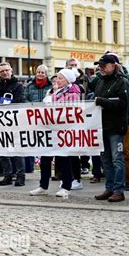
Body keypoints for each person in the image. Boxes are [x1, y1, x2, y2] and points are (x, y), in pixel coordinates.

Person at [29, 68, 81, 198]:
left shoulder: (73, 93)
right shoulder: (54, 92)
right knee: (45, 158)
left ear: (67, 80)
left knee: (64, 159)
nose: (57, 80)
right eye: (56, 77)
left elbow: (69, 110)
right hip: (51, 129)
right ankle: (43, 185)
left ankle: (66, 186)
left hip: (64, 130)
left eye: (60, 78)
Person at [93, 54, 129, 202]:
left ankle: (118, 190)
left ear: (113, 65)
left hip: (115, 127)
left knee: (117, 159)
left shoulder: (122, 82)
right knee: (106, 160)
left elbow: (122, 104)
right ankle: (109, 188)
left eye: (104, 65)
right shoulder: (100, 82)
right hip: (102, 126)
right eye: (100, 66)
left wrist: (103, 101)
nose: (101, 68)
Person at [0, 62, 26, 186]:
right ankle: (8, 174)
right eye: (2, 71)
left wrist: (7, 104)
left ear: (11, 71)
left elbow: (21, 101)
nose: (5, 73)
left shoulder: (17, 86)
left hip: (13, 122)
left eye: (7, 70)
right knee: (2, 149)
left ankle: (21, 175)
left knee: (16, 149)